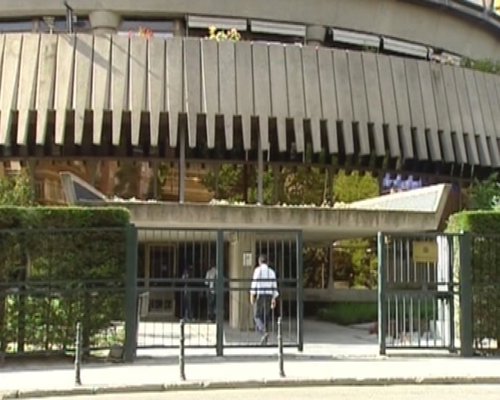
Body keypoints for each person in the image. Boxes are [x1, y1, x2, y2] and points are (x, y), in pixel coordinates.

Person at [250, 254, 279, 345]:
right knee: (266, 316)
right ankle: (265, 339)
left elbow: (254, 283)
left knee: (257, 315)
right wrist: (274, 298)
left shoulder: (257, 270)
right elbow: (274, 286)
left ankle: (264, 332)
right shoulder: (272, 272)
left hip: (261, 294)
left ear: (259, 262)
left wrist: (252, 294)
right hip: (269, 295)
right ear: (267, 262)